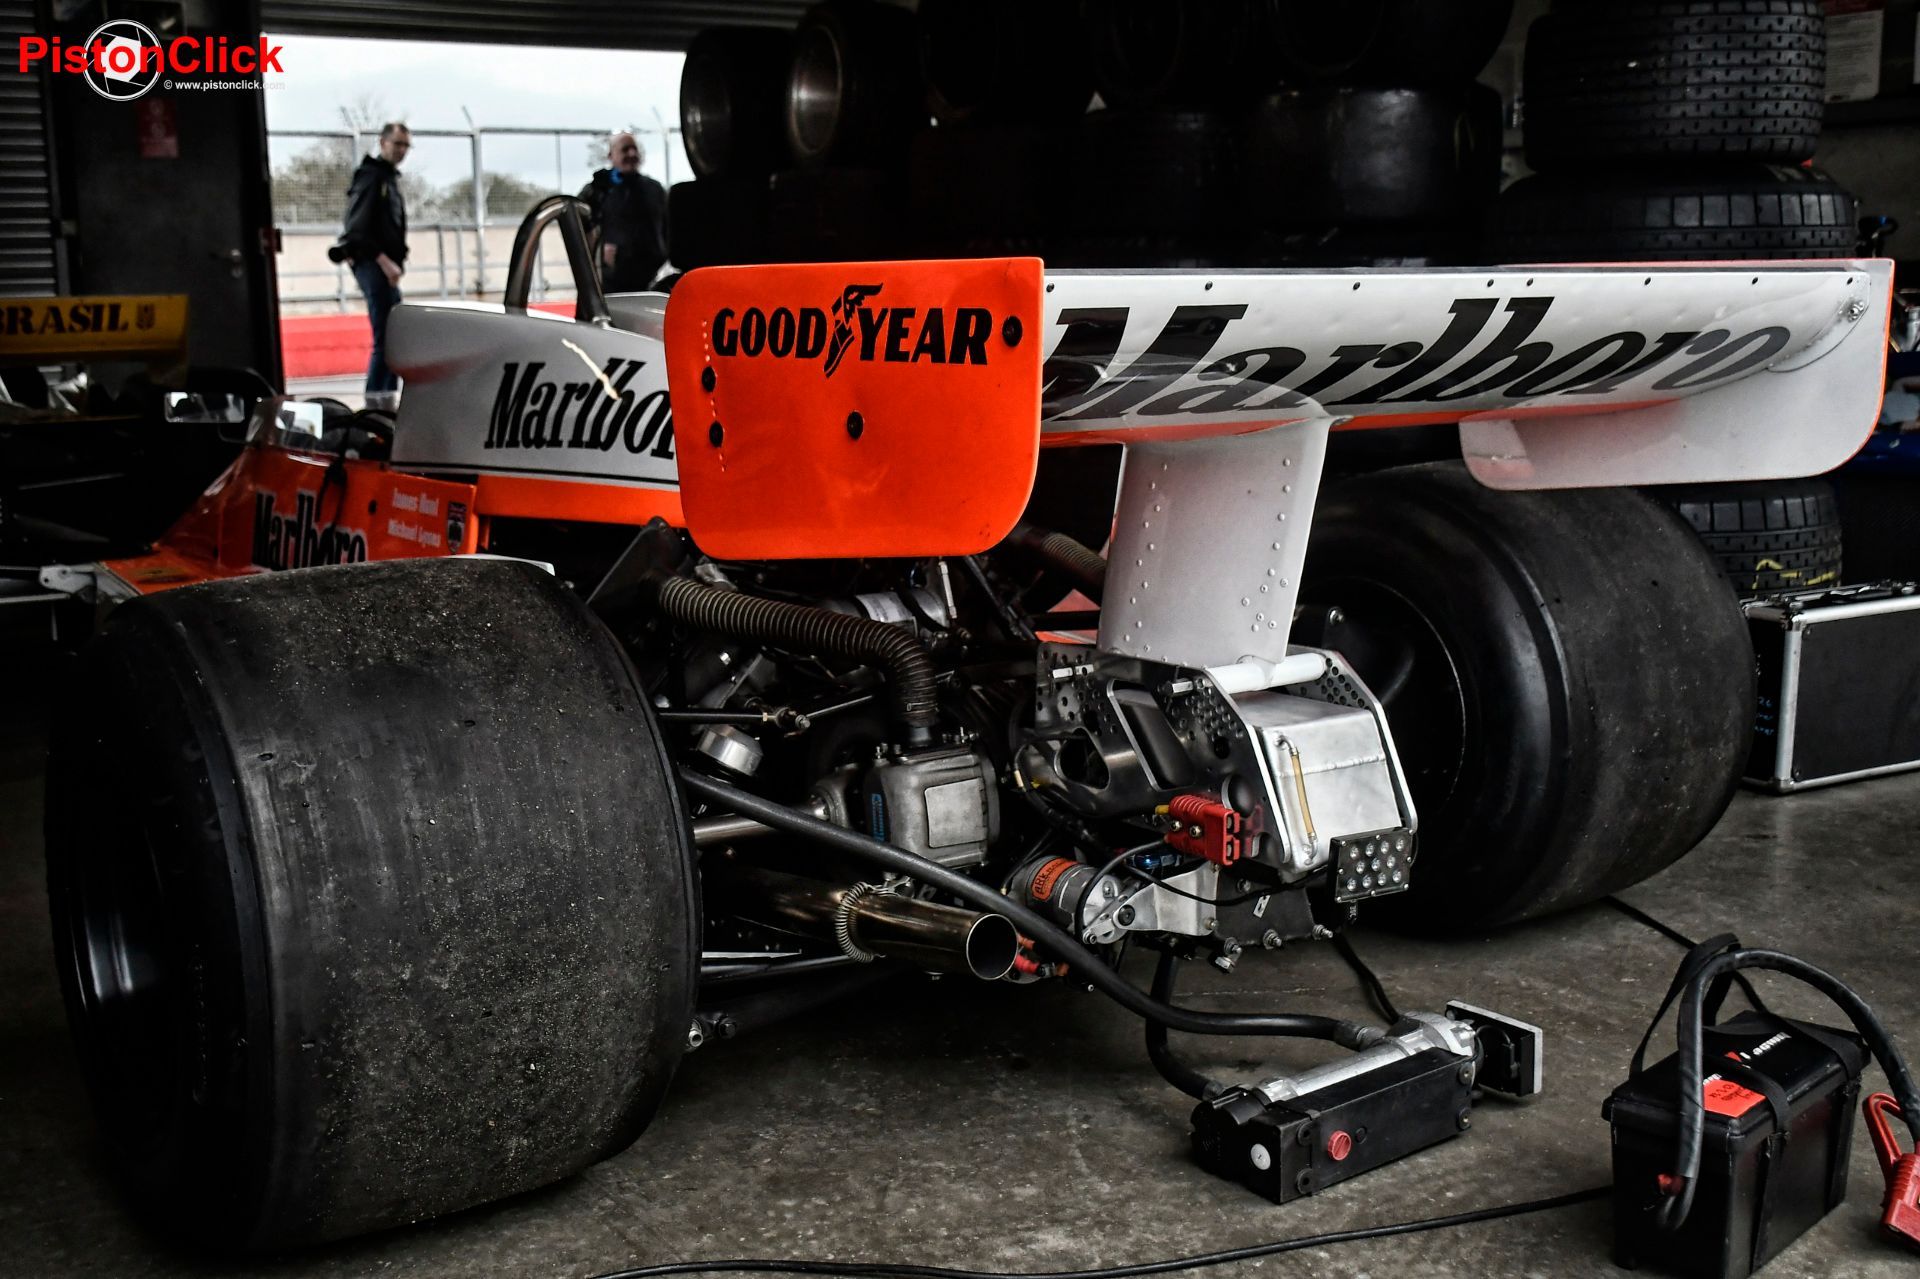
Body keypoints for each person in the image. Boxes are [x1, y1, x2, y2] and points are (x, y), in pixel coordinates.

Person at [338, 122, 410, 410]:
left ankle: (383, 403)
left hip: (382, 264)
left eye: (405, 145)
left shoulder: (386, 178)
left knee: (393, 337)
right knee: (387, 339)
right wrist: (384, 262)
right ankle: (377, 405)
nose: (402, 150)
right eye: (397, 144)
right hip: (375, 263)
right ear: (383, 143)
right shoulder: (373, 178)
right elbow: (358, 230)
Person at [578, 132, 669, 294]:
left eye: (634, 149)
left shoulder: (653, 189)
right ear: (610, 155)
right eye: (625, 149)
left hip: (649, 279)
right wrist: (597, 251)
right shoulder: (597, 191)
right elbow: (578, 224)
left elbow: (667, 227)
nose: (632, 154)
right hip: (611, 282)